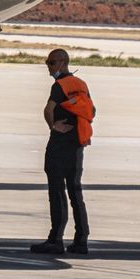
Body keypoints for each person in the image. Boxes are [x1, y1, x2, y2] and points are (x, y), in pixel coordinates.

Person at [30, 49, 94, 255]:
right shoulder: (81, 84)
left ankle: (55, 240)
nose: (48, 68)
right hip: (77, 144)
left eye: (51, 63)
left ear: (62, 63)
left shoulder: (60, 86)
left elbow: (48, 110)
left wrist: (53, 126)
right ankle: (81, 240)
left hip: (60, 144)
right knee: (75, 191)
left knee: (56, 191)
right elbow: (91, 111)